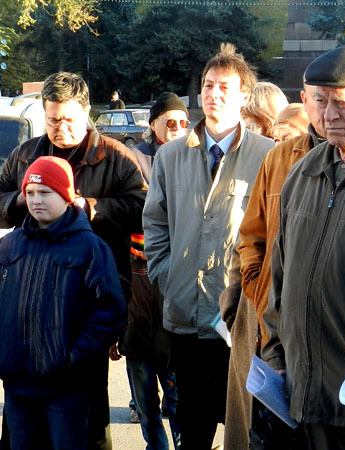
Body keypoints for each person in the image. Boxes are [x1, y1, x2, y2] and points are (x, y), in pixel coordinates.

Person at [0, 71, 147, 450]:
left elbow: (144, 209)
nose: (59, 128)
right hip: (29, 298)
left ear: (86, 112)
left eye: (68, 119)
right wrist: (20, 200)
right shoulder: (25, 154)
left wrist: (91, 208)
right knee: (22, 429)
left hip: (86, 297)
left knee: (85, 424)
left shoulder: (116, 156)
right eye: (52, 120)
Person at [261, 44, 345, 449]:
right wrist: (275, 357)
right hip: (301, 396)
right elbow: (280, 277)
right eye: (320, 101)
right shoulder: (304, 171)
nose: (330, 115)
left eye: (344, 103)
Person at [143, 43, 274, 449]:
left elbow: (275, 234)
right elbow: (154, 223)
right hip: (185, 315)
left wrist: (256, 294)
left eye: (224, 87)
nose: (213, 94)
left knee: (244, 429)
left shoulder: (267, 156)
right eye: (208, 85)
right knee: (192, 428)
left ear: (244, 96)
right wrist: (168, 275)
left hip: (242, 319)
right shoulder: (170, 156)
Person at [219, 82, 324, 450]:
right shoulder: (275, 161)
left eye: (285, 135)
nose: (276, 141)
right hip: (257, 315)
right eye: (275, 135)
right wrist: (242, 297)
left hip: (310, 326)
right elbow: (249, 238)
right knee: (253, 426)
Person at [0, 156, 126, 450]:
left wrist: (74, 360)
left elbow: (109, 311)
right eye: (30, 192)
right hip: (18, 384)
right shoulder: (10, 245)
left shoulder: (90, 248)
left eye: (45, 192)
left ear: (66, 195)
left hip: (67, 388)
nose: (36, 200)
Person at [114, 92, 189, 450]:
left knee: (178, 395)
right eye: (170, 122)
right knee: (144, 395)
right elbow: (133, 207)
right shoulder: (135, 158)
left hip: (179, 282)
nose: (177, 129)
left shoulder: (194, 157)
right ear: (153, 124)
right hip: (139, 278)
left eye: (183, 123)